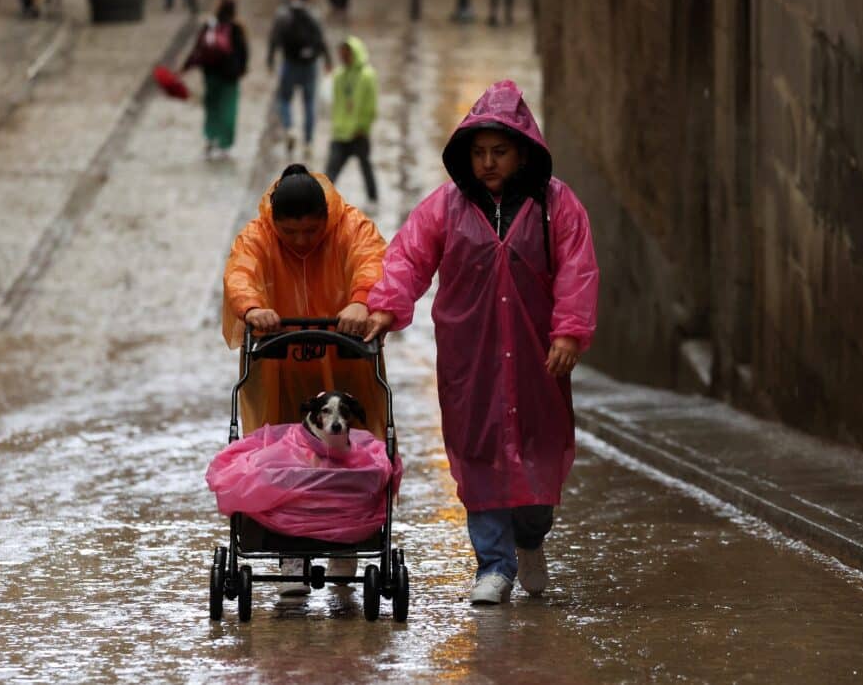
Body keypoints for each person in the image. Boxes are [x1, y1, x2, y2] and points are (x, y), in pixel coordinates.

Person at [363, 80, 599, 605]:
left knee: (538, 450)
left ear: (522, 153)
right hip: (471, 360)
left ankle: (530, 538)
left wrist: (569, 331)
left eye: (499, 152)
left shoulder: (555, 205)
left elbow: (577, 271)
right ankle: (493, 565)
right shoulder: (446, 207)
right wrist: (385, 304)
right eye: (479, 153)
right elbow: (409, 256)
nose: (488, 163)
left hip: (539, 358)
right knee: (479, 454)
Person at [222, 163, 389, 593]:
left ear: (326, 221)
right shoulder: (256, 236)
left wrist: (359, 301)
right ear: (274, 224)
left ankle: (345, 546)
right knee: (280, 455)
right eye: (289, 234)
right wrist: (252, 307)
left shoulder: (351, 226)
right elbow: (241, 272)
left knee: (348, 455)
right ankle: (289, 554)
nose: (300, 242)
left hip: (345, 358)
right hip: (277, 364)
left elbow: (372, 262)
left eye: (311, 232)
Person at [267, 0, 332, 160]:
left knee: (285, 99)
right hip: (310, 64)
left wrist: (270, 59)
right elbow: (322, 39)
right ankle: (309, 142)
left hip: (290, 63)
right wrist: (328, 60)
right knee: (309, 102)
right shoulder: (314, 14)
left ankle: (289, 128)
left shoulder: (283, 14)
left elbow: (274, 38)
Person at [183, 0, 249, 159]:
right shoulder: (236, 28)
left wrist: (186, 66)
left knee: (211, 105)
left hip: (211, 72)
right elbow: (243, 51)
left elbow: (197, 48)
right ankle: (225, 143)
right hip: (229, 74)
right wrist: (242, 69)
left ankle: (210, 136)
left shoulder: (209, 25)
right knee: (228, 107)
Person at [325, 36, 378, 204]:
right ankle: (322, 202)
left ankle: (373, 198)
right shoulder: (339, 75)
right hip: (340, 133)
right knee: (331, 171)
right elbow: (336, 102)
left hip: (358, 133)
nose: (343, 57)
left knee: (366, 168)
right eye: (341, 53)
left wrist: (363, 126)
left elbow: (371, 105)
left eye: (346, 53)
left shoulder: (367, 76)